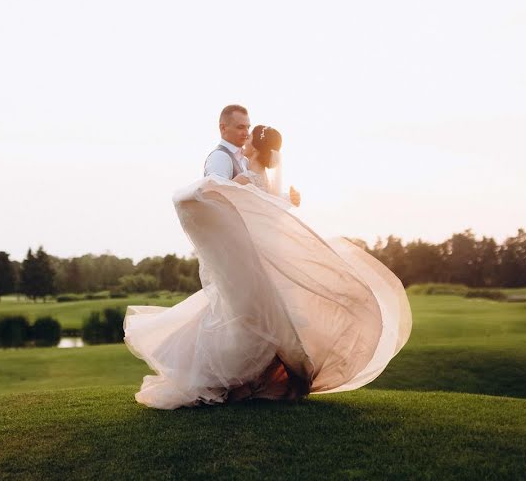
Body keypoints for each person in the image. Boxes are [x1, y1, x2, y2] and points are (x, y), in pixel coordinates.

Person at [123, 107, 412, 410]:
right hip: (236, 254)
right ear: (223, 128)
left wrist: (284, 200)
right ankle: (232, 378)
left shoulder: (247, 166)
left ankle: (259, 379)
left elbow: (263, 210)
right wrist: (234, 190)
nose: (245, 133)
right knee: (244, 315)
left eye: (247, 128)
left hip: (253, 254)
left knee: (255, 315)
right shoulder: (221, 158)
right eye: (239, 128)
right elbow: (214, 192)